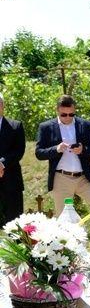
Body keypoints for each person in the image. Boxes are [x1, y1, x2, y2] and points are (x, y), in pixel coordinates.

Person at [35, 95, 90, 218]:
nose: (67, 117)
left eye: (71, 114)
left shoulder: (85, 125)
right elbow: (39, 153)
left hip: (84, 177)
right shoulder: (46, 127)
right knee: (64, 219)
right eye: (64, 115)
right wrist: (56, 149)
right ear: (57, 111)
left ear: (74, 110)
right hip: (61, 178)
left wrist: (83, 150)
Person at [0, 93, 26, 224]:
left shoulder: (16, 126)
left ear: (3, 105)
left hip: (11, 183)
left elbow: (19, 151)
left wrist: (2, 163)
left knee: (15, 225)